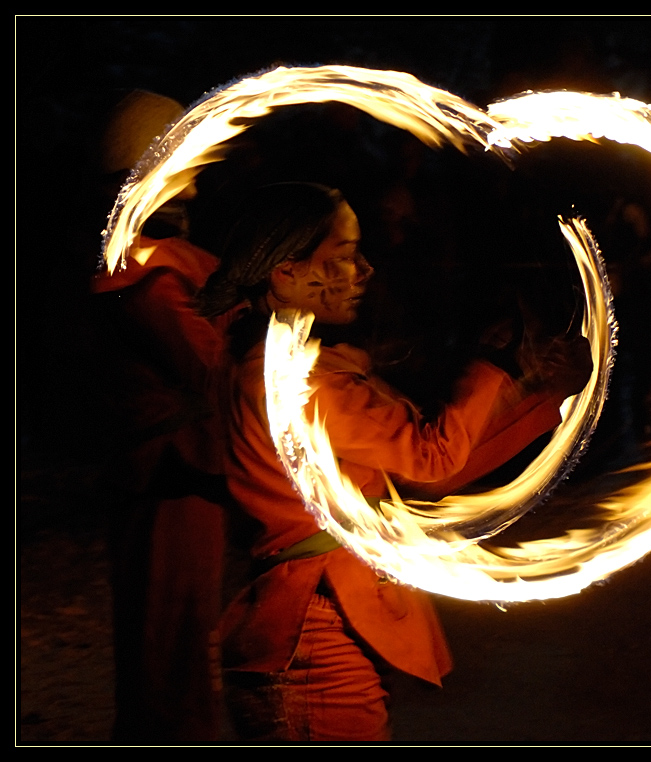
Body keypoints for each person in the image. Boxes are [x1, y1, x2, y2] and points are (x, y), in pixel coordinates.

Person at [196, 182, 590, 742]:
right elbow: (430, 457)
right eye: (343, 257)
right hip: (316, 633)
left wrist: (544, 395)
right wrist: (494, 367)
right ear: (285, 272)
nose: (365, 270)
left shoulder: (287, 367)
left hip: (327, 623)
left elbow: (426, 468)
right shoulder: (296, 382)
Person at [92, 90, 233, 743]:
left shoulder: (142, 270)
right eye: (187, 168)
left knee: (166, 643)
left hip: (166, 480)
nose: (199, 185)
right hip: (173, 483)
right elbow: (216, 369)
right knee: (172, 647)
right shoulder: (148, 281)